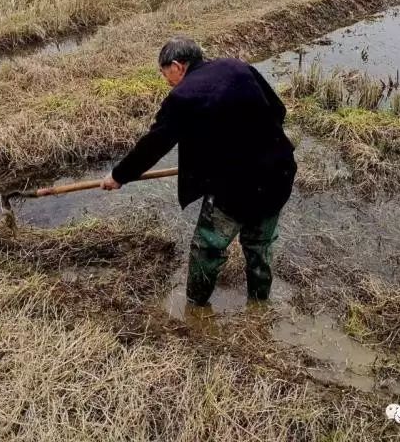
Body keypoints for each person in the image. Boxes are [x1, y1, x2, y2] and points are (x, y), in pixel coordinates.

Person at [101, 36, 296, 306]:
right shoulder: (237, 67)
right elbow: (278, 110)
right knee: (259, 246)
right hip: (279, 172)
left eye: (164, 72)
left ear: (178, 66)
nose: (165, 79)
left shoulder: (183, 97)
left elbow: (154, 144)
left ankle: (195, 307)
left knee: (207, 247)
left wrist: (118, 176)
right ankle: (259, 305)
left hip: (236, 187)